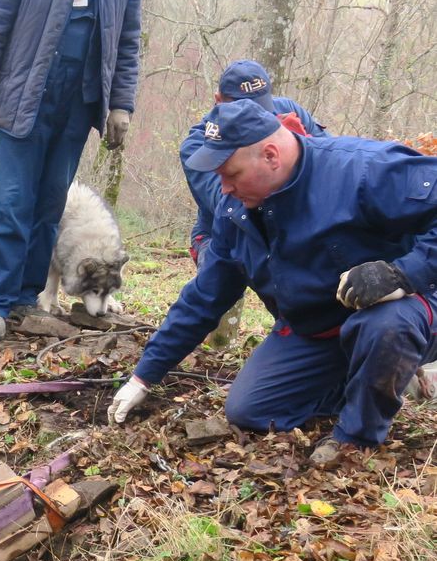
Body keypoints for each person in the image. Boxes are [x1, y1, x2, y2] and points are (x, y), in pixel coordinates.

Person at [107, 99, 437, 466]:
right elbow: (204, 298)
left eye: (231, 174)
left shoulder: (361, 170)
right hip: (319, 328)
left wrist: (403, 273)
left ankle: (355, 438)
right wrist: (143, 377)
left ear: (270, 156)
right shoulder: (235, 211)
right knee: (250, 409)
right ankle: (374, 379)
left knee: (383, 326)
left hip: (409, 309)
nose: (224, 188)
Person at [0, 0, 145, 342]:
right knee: (10, 203)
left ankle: (26, 296)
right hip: (24, 95)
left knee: (49, 205)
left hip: (80, 100)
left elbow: (128, 38)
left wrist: (120, 105)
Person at [184, 59, 325, 267]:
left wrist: (295, 147)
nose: (256, 116)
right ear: (218, 100)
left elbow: (326, 163)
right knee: (216, 277)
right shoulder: (197, 144)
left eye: (262, 107)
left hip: (292, 223)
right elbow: (230, 202)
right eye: (242, 106)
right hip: (221, 230)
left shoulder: (288, 110)